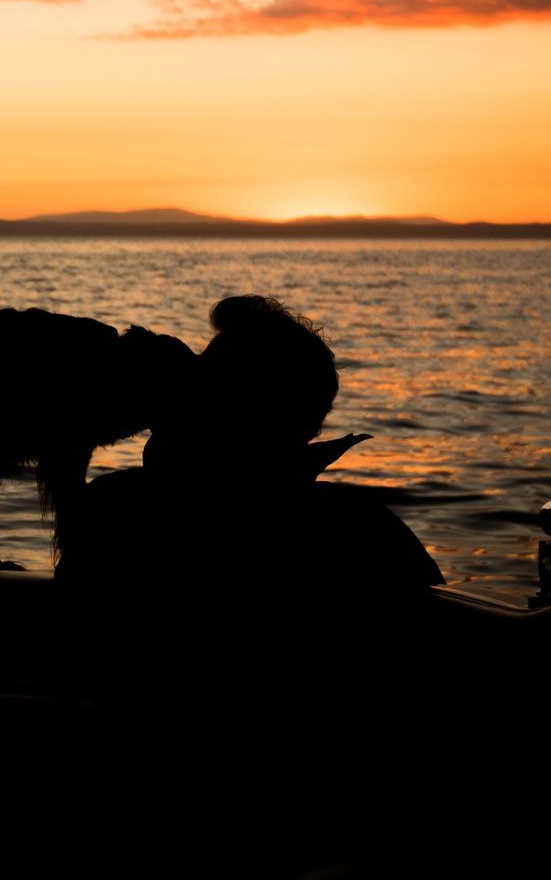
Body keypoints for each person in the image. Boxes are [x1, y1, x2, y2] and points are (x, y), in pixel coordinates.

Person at [58, 295, 441, 688]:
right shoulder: (362, 527)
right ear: (310, 423)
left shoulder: (114, 510)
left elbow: (71, 655)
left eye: (204, 380)